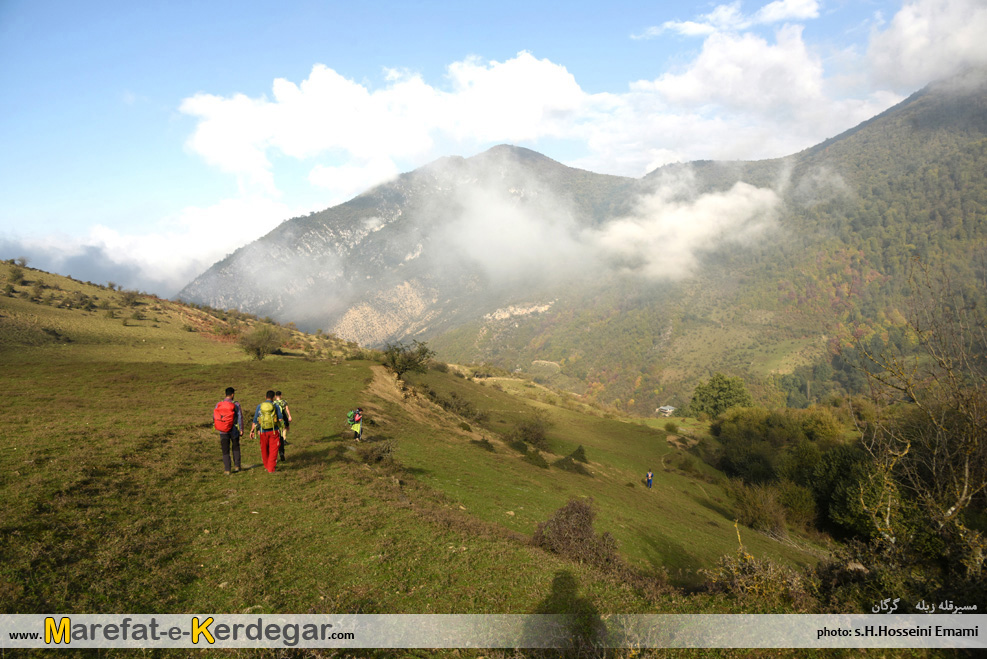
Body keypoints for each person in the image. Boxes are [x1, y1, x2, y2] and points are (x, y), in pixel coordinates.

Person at [250, 390, 284, 473]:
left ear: (265, 397)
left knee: (264, 449)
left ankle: (266, 466)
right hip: (273, 431)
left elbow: (255, 420)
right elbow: (280, 418)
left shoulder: (259, 406)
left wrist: (252, 431)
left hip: (262, 431)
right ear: (273, 398)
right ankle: (271, 468)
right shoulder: (275, 405)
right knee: (273, 450)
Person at [213, 387, 243, 475]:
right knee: (235, 447)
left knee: (225, 449)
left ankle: (227, 469)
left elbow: (214, 416)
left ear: (225, 394)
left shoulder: (219, 404)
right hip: (233, 429)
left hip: (222, 430)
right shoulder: (236, 404)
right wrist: (241, 429)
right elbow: (240, 417)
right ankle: (237, 466)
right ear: (232, 394)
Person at [274, 391, 292, 462]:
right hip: (282, 420)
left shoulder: (274, 403)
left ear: (275, 396)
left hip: (275, 422)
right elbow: (287, 410)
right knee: (283, 430)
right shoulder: (284, 402)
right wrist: (289, 416)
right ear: (281, 395)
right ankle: (284, 440)